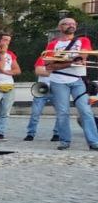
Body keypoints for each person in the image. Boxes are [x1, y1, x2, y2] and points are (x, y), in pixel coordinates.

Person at [42, 17, 98, 151]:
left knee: (86, 111)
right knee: (62, 112)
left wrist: (60, 61)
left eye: (73, 23)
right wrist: (71, 61)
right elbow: (49, 66)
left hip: (78, 80)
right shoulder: (53, 44)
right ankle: (64, 141)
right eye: (67, 24)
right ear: (60, 27)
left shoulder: (83, 40)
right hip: (58, 81)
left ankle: (94, 141)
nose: (71, 25)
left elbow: (82, 57)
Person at [23, 52, 59, 142]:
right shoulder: (43, 57)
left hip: (57, 88)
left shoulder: (62, 59)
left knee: (61, 113)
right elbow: (38, 71)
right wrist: (54, 69)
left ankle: (57, 134)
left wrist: (48, 70)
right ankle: (30, 134)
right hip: (41, 87)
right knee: (35, 113)